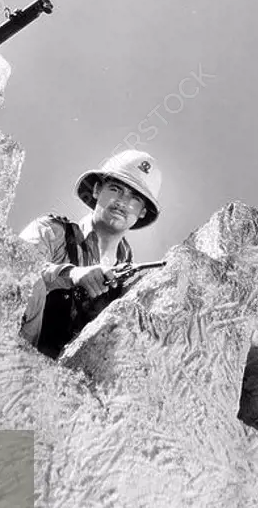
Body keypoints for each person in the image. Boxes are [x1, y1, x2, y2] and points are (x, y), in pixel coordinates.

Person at [19, 149, 162, 357]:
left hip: (71, 381)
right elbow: (11, 267)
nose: (122, 202)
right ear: (96, 190)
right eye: (115, 189)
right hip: (14, 354)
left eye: (135, 199)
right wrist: (72, 274)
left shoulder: (133, 287)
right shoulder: (50, 232)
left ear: (141, 212)